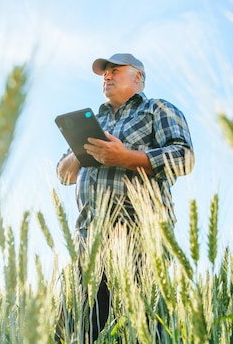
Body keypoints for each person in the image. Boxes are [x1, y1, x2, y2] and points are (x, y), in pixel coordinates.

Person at [56, 53, 194, 343]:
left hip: (143, 243)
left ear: (138, 78)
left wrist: (125, 157)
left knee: (140, 334)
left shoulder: (158, 109)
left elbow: (184, 158)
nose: (107, 76)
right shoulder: (93, 121)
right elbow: (63, 175)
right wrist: (80, 154)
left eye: (114, 70)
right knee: (70, 334)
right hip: (90, 246)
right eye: (104, 73)